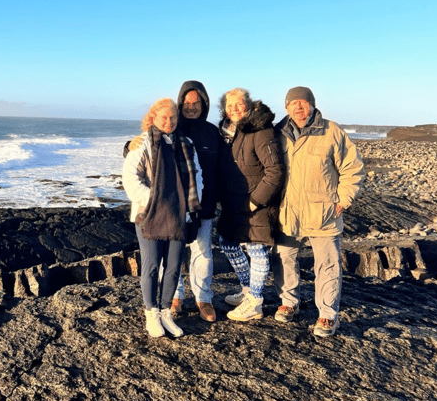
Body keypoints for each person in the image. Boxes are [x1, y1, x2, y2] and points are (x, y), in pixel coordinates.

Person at [123, 81, 222, 323]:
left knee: (202, 253)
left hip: (200, 205)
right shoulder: (162, 134)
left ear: (204, 104)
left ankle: (203, 299)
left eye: (196, 103)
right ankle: (173, 299)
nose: (191, 107)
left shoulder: (211, 132)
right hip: (165, 209)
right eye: (186, 103)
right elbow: (135, 166)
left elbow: (214, 169)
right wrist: (128, 145)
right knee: (168, 259)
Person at [271, 87, 365, 337]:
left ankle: (327, 315)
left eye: (303, 103)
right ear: (286, 107)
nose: (298, 107)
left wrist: (343, 200)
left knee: (328, 265)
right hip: (287, 211)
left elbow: (352, 169)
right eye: (293, 103)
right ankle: (289, 303)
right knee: (284, 260)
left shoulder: (332, 131)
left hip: (324, 212)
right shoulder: (277, 133)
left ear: (312, 105)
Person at [122, 98, 202, 338]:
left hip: (179, 215)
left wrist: (187, 208)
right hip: (149, 215)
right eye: (164, 117)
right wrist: (156, 202)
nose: (169, 122)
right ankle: (151, 314)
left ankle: (166, 312)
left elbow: (197, 179)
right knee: (151, 266)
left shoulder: (186, 144)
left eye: (173, 117)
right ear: (153, 118)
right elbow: (130, 178)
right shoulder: (142, 145)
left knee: (174, 267)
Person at [217, 88, 285, 322]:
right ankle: (247, 290)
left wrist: (256, 201)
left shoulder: (260, 129)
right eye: (229, 105)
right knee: (227, 243)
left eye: (238, 104)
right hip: (233, 202)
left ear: (248, 104)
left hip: (257, 202)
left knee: (256, 249)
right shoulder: (227, 131)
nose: (234, 109)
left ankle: (255, 302)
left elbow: (275, 170)